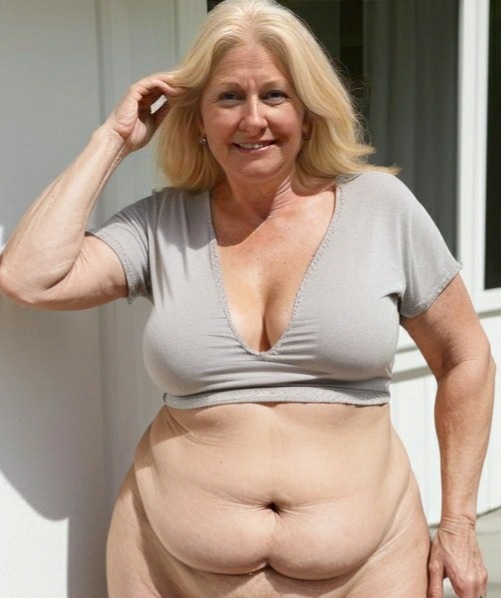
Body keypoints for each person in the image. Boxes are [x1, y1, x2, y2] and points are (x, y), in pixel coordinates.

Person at [0, 0, 495, 596]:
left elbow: (465, 357)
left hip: (372, 567)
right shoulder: (161, 224)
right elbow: (29, 277)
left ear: (308, 114)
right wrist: (112, 140)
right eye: (229, 97)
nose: (252, 119)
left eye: (275, 95)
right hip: (165, 567)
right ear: (199, 119)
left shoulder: (381, 209)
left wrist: (459, 524)